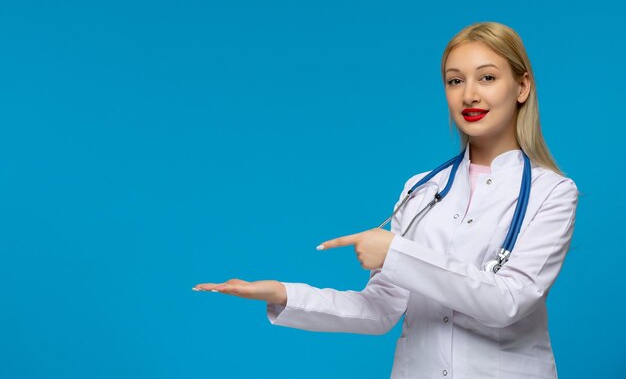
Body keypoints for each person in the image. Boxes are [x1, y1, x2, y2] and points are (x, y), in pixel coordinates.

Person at [193, 21, 579, 379]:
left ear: (522, 86)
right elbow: (380, 310)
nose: (469, 94)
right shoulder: (421, 189)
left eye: (488, 78)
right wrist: (284, 293)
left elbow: (508, 302)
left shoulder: (552, 194)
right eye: (454, 80)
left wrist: (395, 253)